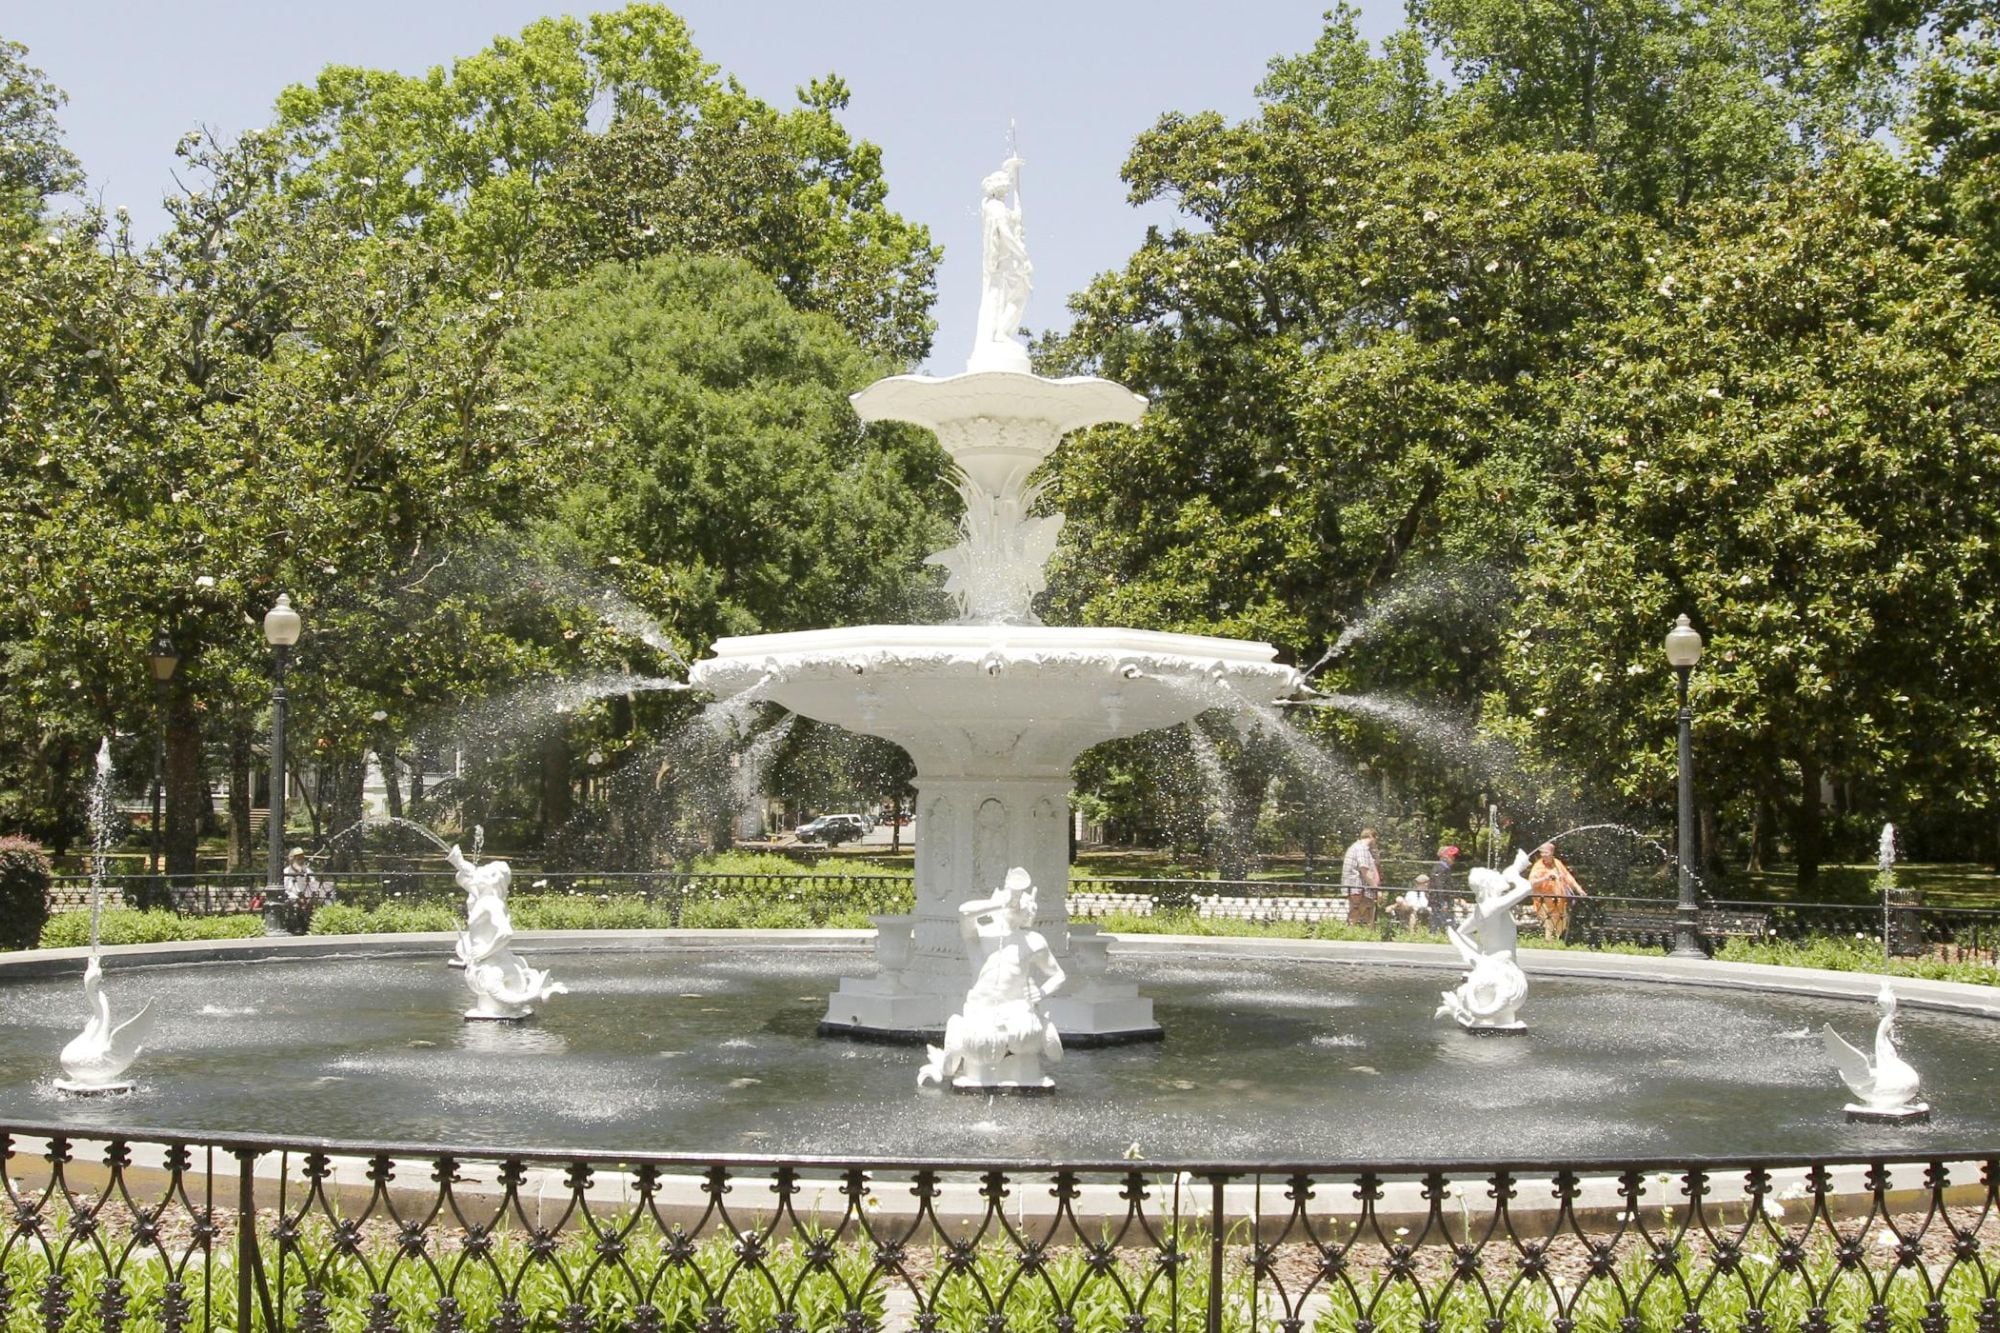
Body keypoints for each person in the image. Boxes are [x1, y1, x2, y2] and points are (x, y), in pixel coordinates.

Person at [1528, 842, 1586, 940]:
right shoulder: (1538, 866)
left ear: (1552, 852)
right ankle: (1547, 943)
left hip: (1560, 903)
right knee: (1549, 926)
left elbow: (1568, 877)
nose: (1543, 855)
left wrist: (1579, 889)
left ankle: (1557, 944)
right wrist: (1545, 878)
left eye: (1545, 852)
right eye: (1541, 852)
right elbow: (1531, 883)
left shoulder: (1557, 863)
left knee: (1561, 927)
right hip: (1544, 903)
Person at [1340, 827, 1380, 926]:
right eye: (1375, 838)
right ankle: (1354, 932)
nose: (1375, 842)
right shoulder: (1362, 848)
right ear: (1371, 836)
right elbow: (1365, 871)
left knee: (1360, 914)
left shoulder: (1355, 847)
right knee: (1359, 914)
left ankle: (1358, 932)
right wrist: (1375, 888)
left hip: (1355, 887)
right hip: (1358, 888)